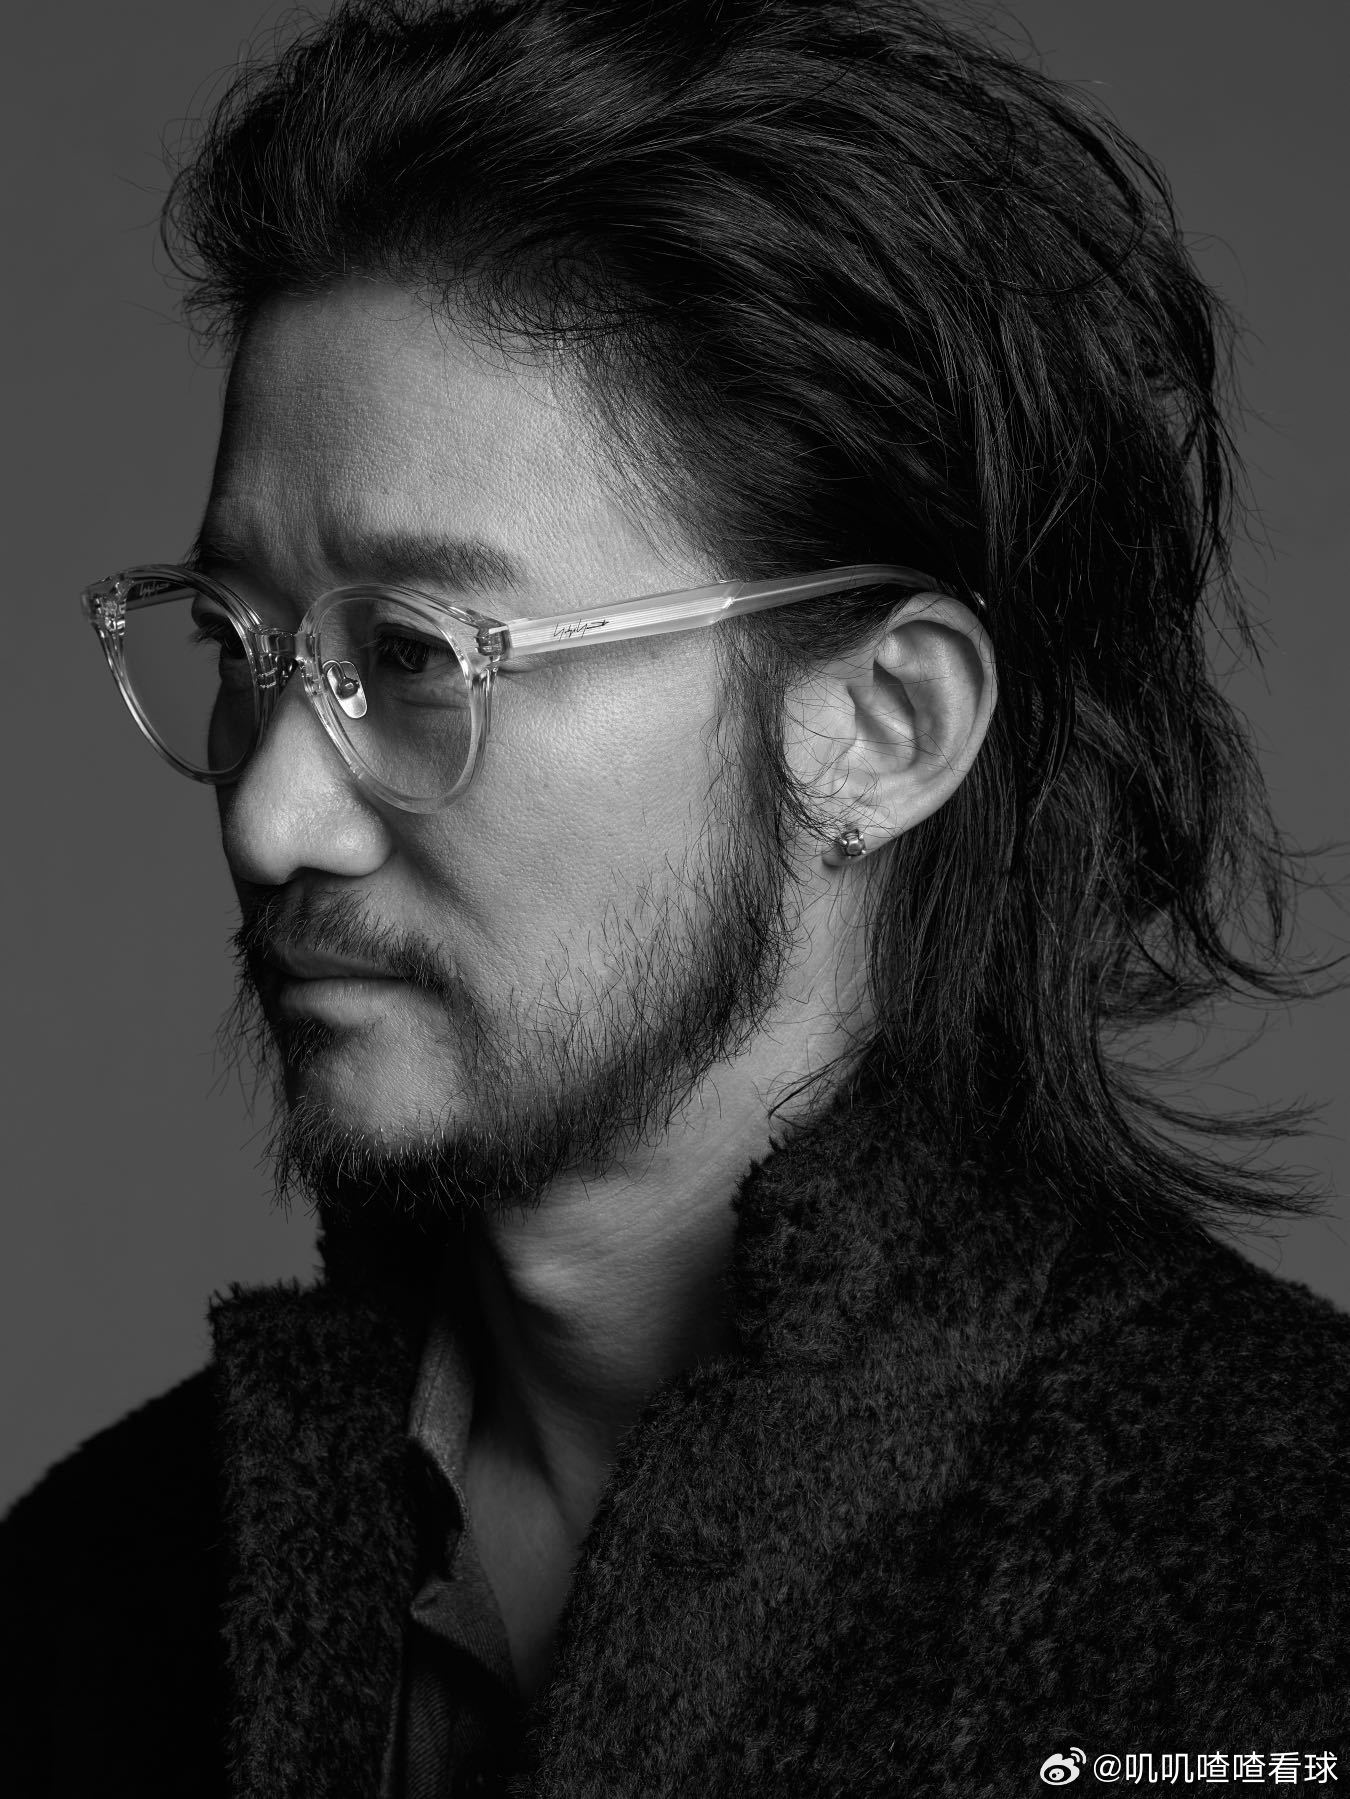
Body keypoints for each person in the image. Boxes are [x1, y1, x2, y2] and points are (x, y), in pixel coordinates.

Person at [4, 0, 1348, 1792]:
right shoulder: (95, 1596)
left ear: (876, 729)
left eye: (413, 655)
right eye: (243, 645)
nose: (270, 818)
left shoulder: (1284, 1590)